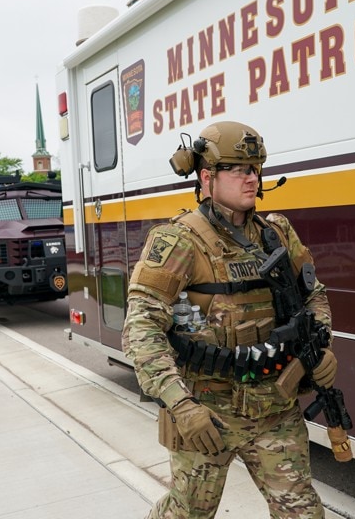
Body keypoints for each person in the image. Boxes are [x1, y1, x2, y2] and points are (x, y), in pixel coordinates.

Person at [123, 120, 337, 519]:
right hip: (207, 411)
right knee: (188, 512)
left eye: (254, 169)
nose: (251, 178)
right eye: (238, 170)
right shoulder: (178, 240)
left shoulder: (277, 233)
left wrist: (322, 344)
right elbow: (141, 328)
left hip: (275, 406)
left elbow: (314, 295)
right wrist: (181, 405)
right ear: (207, 177)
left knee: (304, 513)